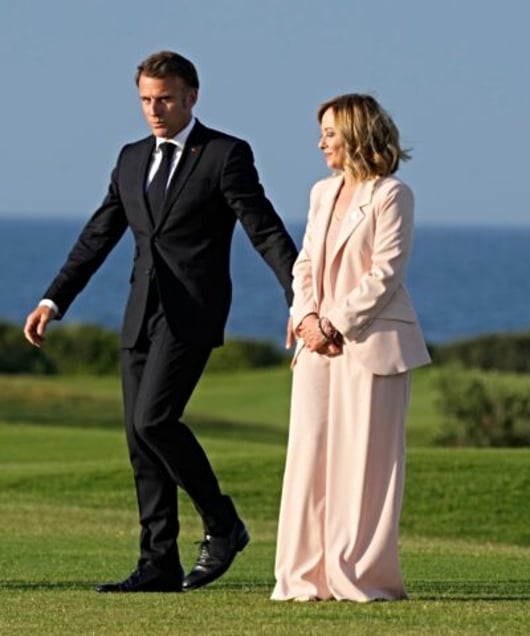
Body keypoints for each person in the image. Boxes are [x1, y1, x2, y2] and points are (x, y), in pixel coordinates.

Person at [23, 51, 298, 593]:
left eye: (165, 98)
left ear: (192, 96)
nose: (155, 109)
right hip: (139, 314)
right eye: (147, 99)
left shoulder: (224, 155)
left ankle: (223, 524)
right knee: (138, 437)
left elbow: (263, 229)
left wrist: (300, 296)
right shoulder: (129, 160)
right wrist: (54, 301)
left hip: (190, 313)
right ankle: (158, 563)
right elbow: (98, 235)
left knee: (154, 420)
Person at [271, 94, 430, 602]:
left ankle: (360, 577)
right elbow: (305, 265)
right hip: (315, 345)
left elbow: (385, 273)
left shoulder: (392, 194)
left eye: (331, 133)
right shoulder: (321, 192)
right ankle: (303, 579)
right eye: (321, 133)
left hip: (372, 344)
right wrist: (307, 319)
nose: (321, 143)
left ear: (357, 134)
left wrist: (334, 324)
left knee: (365, 463)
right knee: (309, 457)